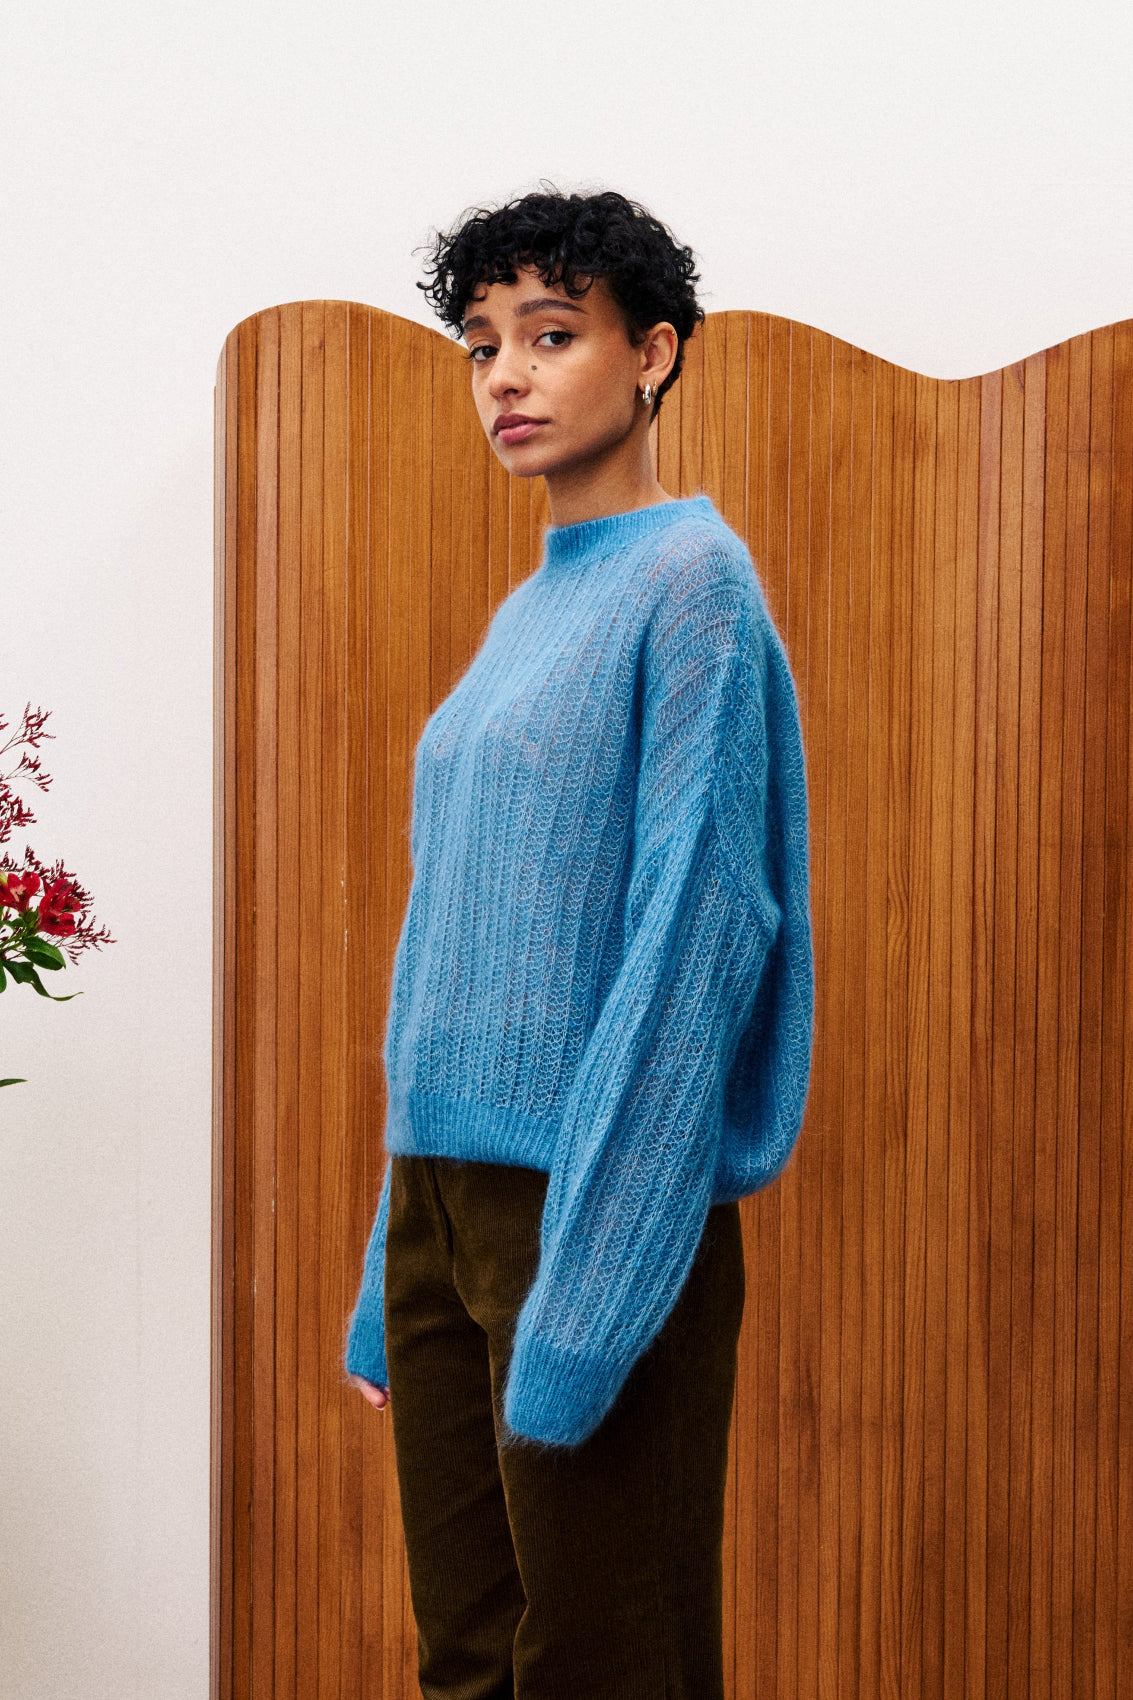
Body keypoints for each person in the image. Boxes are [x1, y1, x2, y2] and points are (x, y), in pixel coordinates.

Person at [344, 184, 814, 1700]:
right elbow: (446, 946)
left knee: (607, 1665)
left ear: (654, 353)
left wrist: (596, 1284)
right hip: (447, 1208)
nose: (507, 376)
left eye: (552, 336)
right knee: (466, 1661)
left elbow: (697, 936)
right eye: (484, 345)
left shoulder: (694, 586)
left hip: (595, 1202)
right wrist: (395, 1265)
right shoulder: (526, 617)